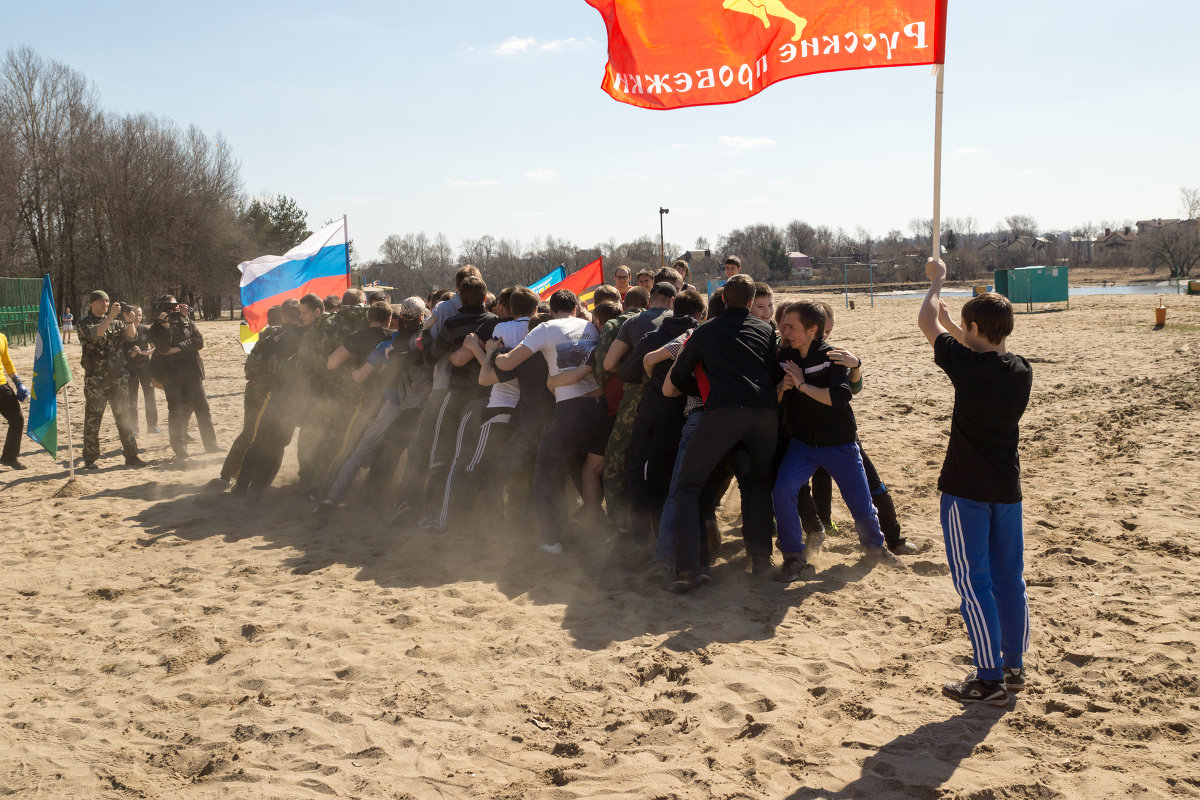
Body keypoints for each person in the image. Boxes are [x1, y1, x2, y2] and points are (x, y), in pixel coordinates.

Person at [919, 257, 1033, 707]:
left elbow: (925, 320)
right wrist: (954, 321)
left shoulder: (966, 366)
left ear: (972, 326)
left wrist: (937, 281)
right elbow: (954, 334)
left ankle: (988, 680)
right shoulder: (1020, 368)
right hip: (1006, 490)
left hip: (967, 490)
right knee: (1010, 581)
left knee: (975, 584)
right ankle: (1012, 665)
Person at [772, 301, 905, 582]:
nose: (784, 330)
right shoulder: (785, 355)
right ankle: (794, 557)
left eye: (791, 326)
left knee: (860, 501)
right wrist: (782, 388)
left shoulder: (833, 356)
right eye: (783, 325)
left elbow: (839, 398)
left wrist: (803, 386)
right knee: (783, 490)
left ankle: (875, 547)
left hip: (839, 444)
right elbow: (774, 400)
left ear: (812, 330)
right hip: (803, 445)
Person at [665, 275, 776, 592]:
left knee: (689, 487)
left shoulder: (707, 330)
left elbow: (680, 373)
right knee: (756, 485)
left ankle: (690, 569)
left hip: (724, 413)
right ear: (752, 300)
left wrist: (705, 393)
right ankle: (761, 560)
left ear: (724, 298)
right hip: (765, 415)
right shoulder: (766, 330)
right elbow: (773, 370)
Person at [495, 289, 605, 554]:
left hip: (569, 409)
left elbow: (509, 363)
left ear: (552, 309)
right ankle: (601, 530)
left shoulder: (546, 328)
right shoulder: (589, 326)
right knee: (586, 470)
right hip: (598, 408)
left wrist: (494, 354)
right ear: (576, 308)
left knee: (546, 474)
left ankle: (551, 540)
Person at [149, 294, 218, 465]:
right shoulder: (156, 328)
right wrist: (165, 326)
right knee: (176, 412)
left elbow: (199, 341)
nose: (172, 311)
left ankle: (211, 445)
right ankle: (180, 449)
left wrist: (179, 347)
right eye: (168, 308)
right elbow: (164, 349)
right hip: (171, 377)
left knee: (203, 409)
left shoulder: (185, 321)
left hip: (192, 374)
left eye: (174, 307)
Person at [78, 290, 144, 469]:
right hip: (96, 379)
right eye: (100, 301)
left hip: (118, 378)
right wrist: (110, 317)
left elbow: (131, 336)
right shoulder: (85, 323)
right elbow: (96, 334)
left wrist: (129, 321)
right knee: (93, 419)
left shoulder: (117, 322)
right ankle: (90, 458)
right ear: (92, 304)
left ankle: (131, 455)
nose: (105, 305)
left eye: (107, 302)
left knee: (124, 417)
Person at [121, 305, 158, 436]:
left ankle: (152, 426)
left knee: (150, 397)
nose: (138, 317)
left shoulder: (146, 330)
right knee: (132, 399)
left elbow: (155, 349)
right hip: (130, 370)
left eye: (140, 314)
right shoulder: (124, 330)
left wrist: (142, 352)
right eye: (136, 314)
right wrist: (131, 354)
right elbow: (120, 351)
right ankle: (134, 427)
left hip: (146, 368)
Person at [0, 332, 29, 469]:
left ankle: (9, 457)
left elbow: (6, 361)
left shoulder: (2, 337)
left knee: (17, 419)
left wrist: (18, 382)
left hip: (1, 385)